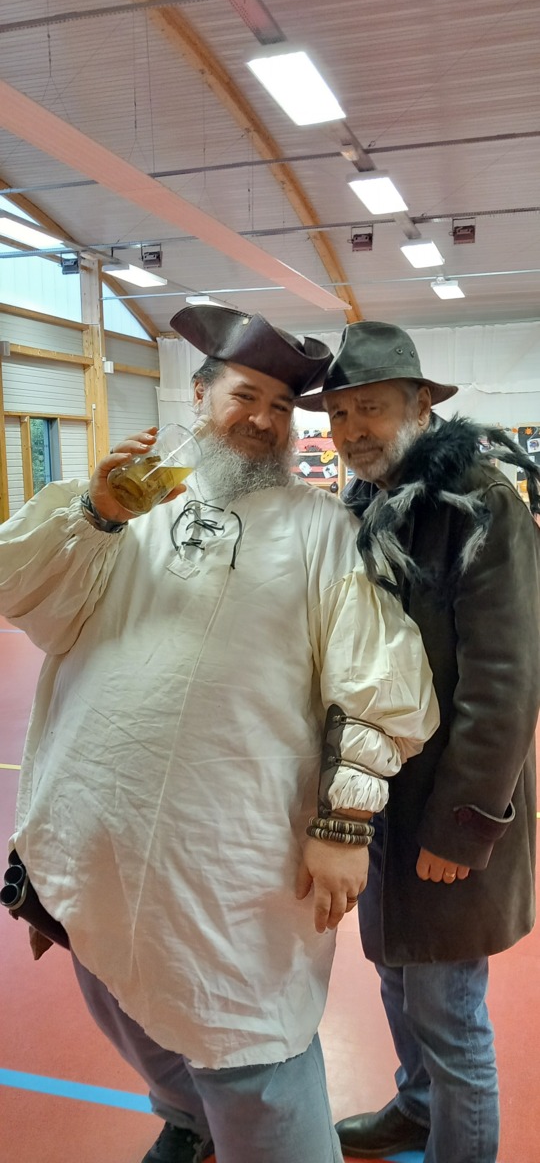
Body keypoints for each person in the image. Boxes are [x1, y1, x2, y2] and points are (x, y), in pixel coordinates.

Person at [0, 307, 438, 1163]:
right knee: (122, 1004)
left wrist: (344, 822)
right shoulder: (132, 509)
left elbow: (380, 680)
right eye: (245, 396)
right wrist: (92, 511)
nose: (264, 420)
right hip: (99, 836)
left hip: (231, 865)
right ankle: (187, 1118)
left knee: (251, 1051)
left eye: (281, 406)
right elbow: (24, 594)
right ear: (200, 396)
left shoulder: (324, 532)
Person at [299, 320, 540, 1163]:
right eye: (339, 414)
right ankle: (416, 1106)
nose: (352, 429)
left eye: (371, 408)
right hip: (380, 802)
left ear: (419, 408)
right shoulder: (366, 501)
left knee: (449, 1011)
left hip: (446, 810)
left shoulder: (481, 504)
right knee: (399, 976)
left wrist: (462, 828)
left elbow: (505, 684)